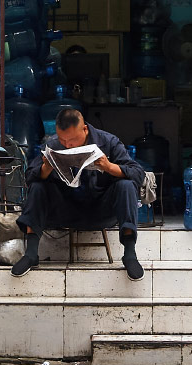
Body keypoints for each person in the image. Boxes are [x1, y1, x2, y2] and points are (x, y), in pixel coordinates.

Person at [13, 108, 147, 280]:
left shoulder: (108, 141)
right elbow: (29, 177)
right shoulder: (53, 145)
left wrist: (108, 167)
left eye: (73, 140)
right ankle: (31, 254)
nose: (68, 145)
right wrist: (47, 167)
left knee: (126, 185)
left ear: (85, 129)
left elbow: (138, 174)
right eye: (63, 140)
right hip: (65, 210)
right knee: (38, 186)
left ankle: (130, 254)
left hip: (101, 210)